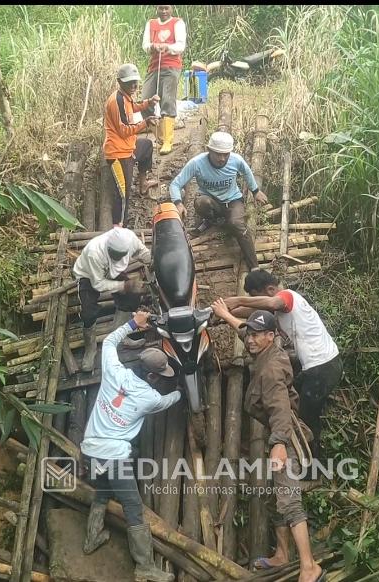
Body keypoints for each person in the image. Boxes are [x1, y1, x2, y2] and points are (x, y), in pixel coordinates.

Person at [210, 305, 324, 582]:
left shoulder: (272, 368)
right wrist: (226, 316)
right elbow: (245, 331)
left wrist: (280, 444)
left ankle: (310, 566)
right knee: (277, 499)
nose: (250, 339)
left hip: (286, 437)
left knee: (289, 500)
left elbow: (281, 408)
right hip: (280, 434)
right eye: (249, 334)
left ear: (271, 336)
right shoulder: (264, 348)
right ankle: (283, 554)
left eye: (257, 335)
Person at [80, 310, 181, 582]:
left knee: (102, 492)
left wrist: (132, 324)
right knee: (133, 508)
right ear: (151, 377)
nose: (160, 379)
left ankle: (92, 537)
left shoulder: (114, 370)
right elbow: (168, 400)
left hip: (89, 450)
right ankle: (144, 566)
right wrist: (181, 390)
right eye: (160, 375)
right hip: (114, 457)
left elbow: (109, 342)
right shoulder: (149, 398)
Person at [221, 269, 341, 458]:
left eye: (254, 296)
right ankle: (304, 456)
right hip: (318, 367)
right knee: (294, 403)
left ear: (270, 289)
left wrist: (238, 300)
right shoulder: (277, 311)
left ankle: (311, 466)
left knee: (307, 420)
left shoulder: (287, 296)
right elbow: (253, 312)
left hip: (322, 367)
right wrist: (225, 311)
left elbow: (270, 302)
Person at [168, 131, 267, 270]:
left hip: (233, 200)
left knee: (237, 224)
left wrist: (255, 191)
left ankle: (254, 267)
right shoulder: (197, 163)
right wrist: (178, 203)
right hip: (211, 200)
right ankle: (212, 220)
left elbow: (247, 172)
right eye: (218, 154)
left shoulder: (236, 160)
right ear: (209, 150)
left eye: (225, 154)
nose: (222, 158)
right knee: (202, 203)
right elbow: (175, 184)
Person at [73, 227, 152, 372]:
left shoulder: (129, 238)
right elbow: (98, 284)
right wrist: (124, 285)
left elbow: (142, 252)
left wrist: (153, 262)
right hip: (89, 276)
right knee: (88, 313)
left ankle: (120, 337)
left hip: (111, 271)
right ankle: (90, 350)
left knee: (132, 299)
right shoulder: (94, 253)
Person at [104, 63, 161, 227]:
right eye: (130, 83)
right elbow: (123, 130)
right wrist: (145, 122)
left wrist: (148, 103)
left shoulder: (126, 97)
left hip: (128, 146)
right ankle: (119, 226)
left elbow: (133, 107)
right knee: (123, 193)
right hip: (118, 153)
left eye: (135, 82)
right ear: (119, 82)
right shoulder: (117, 101)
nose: (134, 86)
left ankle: (143, 184)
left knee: (147, 146)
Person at [141, 5, 186, 155]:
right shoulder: (151, 24)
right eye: (161, 8)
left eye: (166, 8)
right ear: (157, 9)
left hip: (171, 66)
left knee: (167, 100)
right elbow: (145, 45)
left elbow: (180, 45)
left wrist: (167, 47)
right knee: (145, 101)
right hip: (154, 67)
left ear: (171, 8)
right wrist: (153, 46)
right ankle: (159, 137)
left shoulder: (177, 23)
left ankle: (168, 141)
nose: (164, 11)